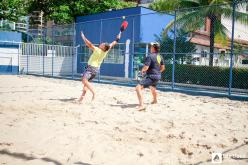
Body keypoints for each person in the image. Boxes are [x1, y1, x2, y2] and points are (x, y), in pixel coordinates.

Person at [78, 31, 121, 103]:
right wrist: (118, 37)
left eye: (103, 44)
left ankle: (94, 93)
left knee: (84, 81)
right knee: (86, 84)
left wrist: (83, 37)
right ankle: (81, 99)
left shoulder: (97, 50)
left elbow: (89, 44)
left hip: (91, 68)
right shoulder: (106, 50)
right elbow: (114, 42)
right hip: (96, 70)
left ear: (103, 48)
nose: (101, 44)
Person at [135, 42, 165, 111]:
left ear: (153, 48)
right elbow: (163, 68)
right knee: (152, 88)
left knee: (138, 88)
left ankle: (141, 105)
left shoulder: (150, 56)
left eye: (151, 46)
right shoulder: (160, 56)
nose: (150, 47)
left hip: (151, 76)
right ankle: (155, 100)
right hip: (158, 76)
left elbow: (146, 67)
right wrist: (157, 72)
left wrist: (142, 71)